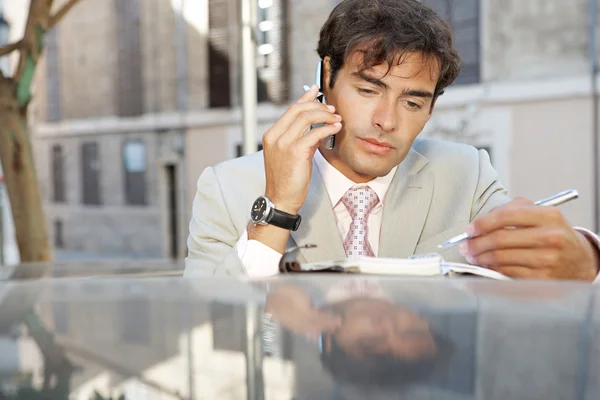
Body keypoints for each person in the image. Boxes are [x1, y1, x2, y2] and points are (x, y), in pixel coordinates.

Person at [185, 0, 600, 281]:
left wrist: (587, 258)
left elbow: (530, 271)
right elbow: (212, 319)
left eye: (413, 102)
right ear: (325, 79)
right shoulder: (226, 186)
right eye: (368, 91)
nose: (387, 121)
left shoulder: (468, 173)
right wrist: (277, 208)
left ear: (431, 110)